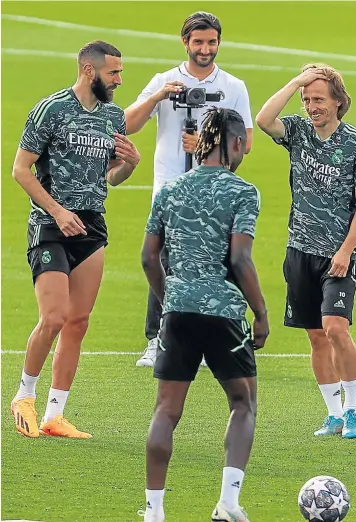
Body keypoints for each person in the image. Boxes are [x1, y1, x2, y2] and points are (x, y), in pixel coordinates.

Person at [138, 108, 269, 522]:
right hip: (225, 314)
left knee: (166, 411)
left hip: (176, 312)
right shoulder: (243, 192)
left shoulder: (170, 190)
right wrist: (260, 312)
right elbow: (240, 259)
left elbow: (148, 257)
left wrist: (170, 296)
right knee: (243, 403)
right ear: (234, 144)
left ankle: (154, 511)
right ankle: (228, 504)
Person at [11, 41, 140, 438]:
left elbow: (111, 178)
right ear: (89, 70)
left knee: (78, 322)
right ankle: (24, 397)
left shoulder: (114, 117)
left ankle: (55, 415)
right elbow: (21, 169)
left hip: (91, 226)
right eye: (113, 73)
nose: (119, 80)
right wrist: (57, 212)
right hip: (51, 225)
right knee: (53, 317)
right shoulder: (52, 109)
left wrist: (130, 165)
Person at [255, 63, 356, 439]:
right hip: (299, 251)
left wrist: (346, 251)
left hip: (338, 254)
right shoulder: (297, 131)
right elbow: (263, 119)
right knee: (315, 336)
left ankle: (354, 407)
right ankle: (334, 414)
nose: (312, 106)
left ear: (339, 102)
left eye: (319, 99)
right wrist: (296, 82)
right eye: (308, 99)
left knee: (335, 328)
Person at [125, 11, 253, 368]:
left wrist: (204, 145)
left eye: (211, 42)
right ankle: (158, 338)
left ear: (218, 42)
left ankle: (211, 340)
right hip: (170, 187)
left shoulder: (233, 86)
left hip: (214, 189)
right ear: (185, 43)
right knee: (164, 261)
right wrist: (157, 97)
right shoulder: (164, 79)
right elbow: (129, 123)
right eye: (198, 42)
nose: (205, 49)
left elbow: (247, 143)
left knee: (213, 263)